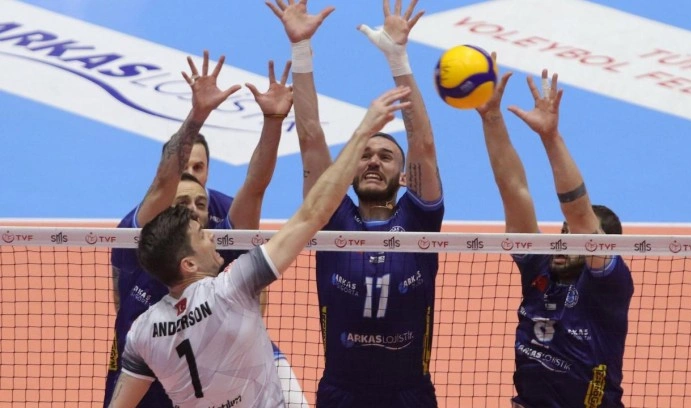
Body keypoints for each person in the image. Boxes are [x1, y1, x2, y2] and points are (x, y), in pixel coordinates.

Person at [106, 84, 413, 408]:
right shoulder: (233, 287)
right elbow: (313, 212)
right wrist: (362, 131)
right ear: (188, 263)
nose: (210, 235)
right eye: (200, 236)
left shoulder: (142, 333)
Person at [267, 0, 443, 406]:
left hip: (409, 395)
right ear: (348, 171)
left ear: (404, 177)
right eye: (364, 155)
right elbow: (310, 137)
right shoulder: (331, 217)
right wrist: (301, 49)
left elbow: (423, 144)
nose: (373, 161)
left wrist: (398, 58)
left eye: (385, 156)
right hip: (342, 394)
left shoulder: (418, 220)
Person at [104, 52, 294, 407]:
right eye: (181, 201)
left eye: (199, 201)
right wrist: (198, 114)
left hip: (202, 373)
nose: (192, 208)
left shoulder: (218, 226)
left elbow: (255, 187)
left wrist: (273, 121)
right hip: (144, 362)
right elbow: (163, 183)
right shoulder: (141, 231)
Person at [475, 57, 634, 407]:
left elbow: (578, 214)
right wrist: (491, 118)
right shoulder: (539, 267)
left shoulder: (608, 287)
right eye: (563, 232)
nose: (563, 240)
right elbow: (513, 189)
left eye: (575, 236)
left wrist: (550, 138)